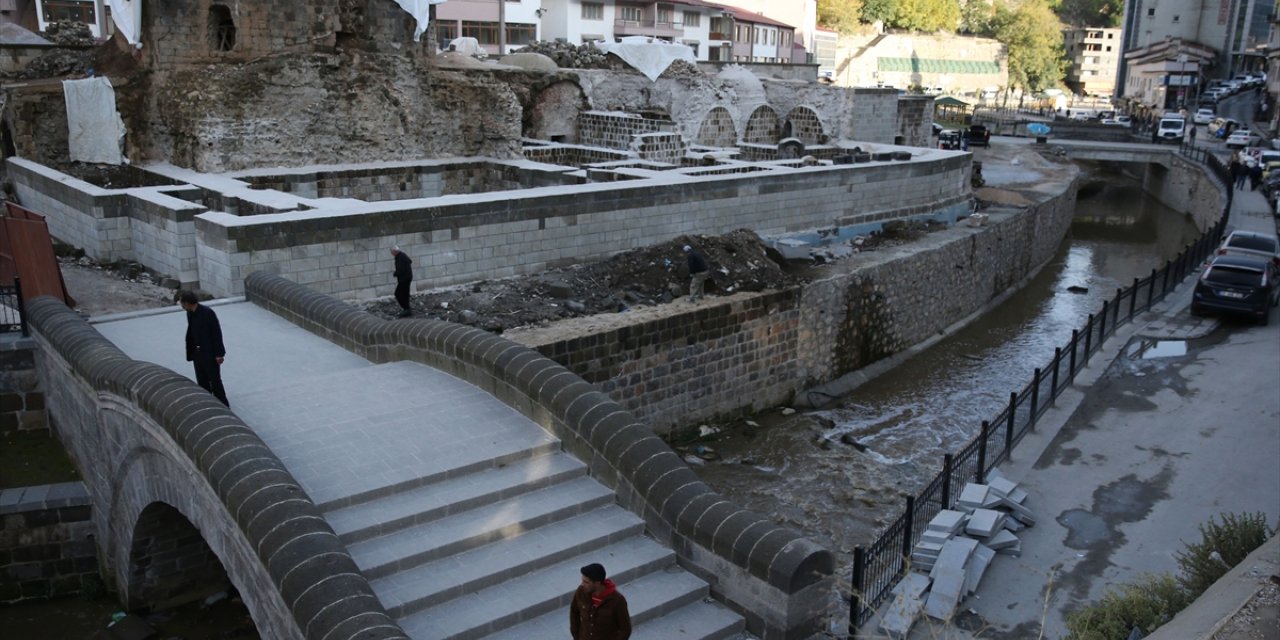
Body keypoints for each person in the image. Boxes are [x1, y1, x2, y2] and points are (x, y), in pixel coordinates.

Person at [180, 291, 228, 406]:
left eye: (182, 303)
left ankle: (223, 404)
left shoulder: (207, 313)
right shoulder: (189, 313)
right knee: (201, 380)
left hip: (209, 353)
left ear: (187, 303)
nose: (181, 305)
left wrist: (219, 354)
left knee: (215, 380)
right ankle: (209, 403)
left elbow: (216, 333)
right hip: (197, 352)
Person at [570, 563, 630, 640]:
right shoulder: (581, 591)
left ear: (597, 583)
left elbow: (625, 629)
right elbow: (574, 611)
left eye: (586, 582)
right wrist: (576, 635)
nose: (582, 584)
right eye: (582, 580)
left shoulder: (617, 600)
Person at [390, 246, 413, 318]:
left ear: (394, 252)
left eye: (392, 252)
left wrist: (395, 273)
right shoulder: (402, 255)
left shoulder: (400, 257)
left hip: (404, 279)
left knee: (398, 293)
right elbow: (410, 261)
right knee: (405, 294)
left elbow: (401, 270)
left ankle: (406, 309)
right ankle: (407, 309)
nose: (391, 254)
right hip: (407, 277)